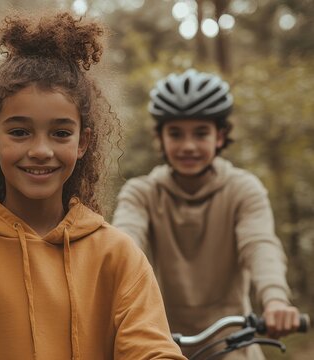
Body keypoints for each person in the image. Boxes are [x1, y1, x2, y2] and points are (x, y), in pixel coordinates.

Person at [0, 11, 185, 360]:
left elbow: (152, 349)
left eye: (61, 133)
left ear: (82, 143)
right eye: (19, 132)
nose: (40, 151)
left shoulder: (116, 256)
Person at [112, 69, 301, 359]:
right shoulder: (141, 193)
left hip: (233, 342)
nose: (188, 145)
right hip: (160, 341)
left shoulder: (243, 189)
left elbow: (260, 245)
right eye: (175, 133)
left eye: (201, 133)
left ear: (220, 136)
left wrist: (275, 300)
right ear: (160, 138)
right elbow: (125, 244)